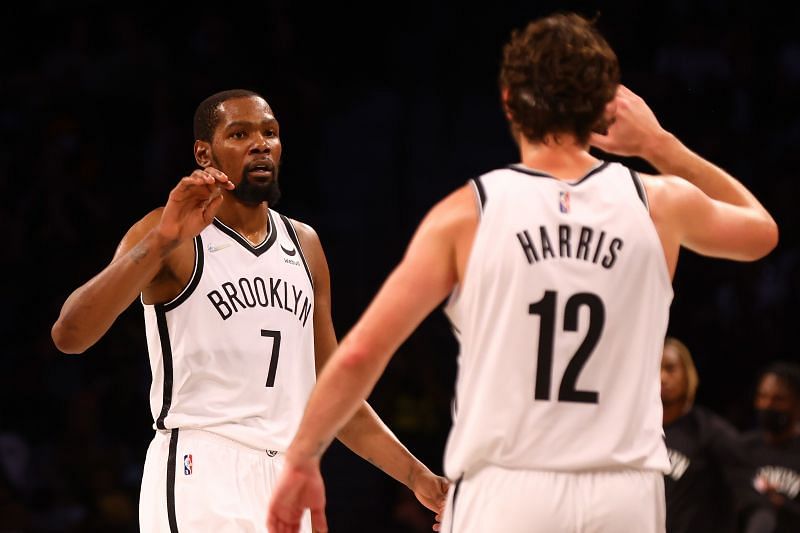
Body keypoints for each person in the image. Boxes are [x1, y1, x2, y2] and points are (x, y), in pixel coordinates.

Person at [267, 12, 778, 533]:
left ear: (508, 100)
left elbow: (359, 353)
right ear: (605, 107)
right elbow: (762, 231)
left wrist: (303, 456)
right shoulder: (658, 203)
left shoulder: (466, 213)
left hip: (508, 490)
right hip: (625, 493)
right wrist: (659, 145)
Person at [50, 89, 448, 532]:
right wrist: (159, 241)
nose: (261, 143)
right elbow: (70, 335)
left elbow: (334, 394)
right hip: (202, 469)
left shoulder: (305, 245)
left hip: (286, 475)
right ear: (205, 153)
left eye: (270, 133)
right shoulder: (169, 232)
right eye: (239, 133)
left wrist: (416, 476)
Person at [661, 337, 774, 533]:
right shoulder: (636, 432)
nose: (662, 377)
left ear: (688, 374)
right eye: (654, 370)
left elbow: (755, 503)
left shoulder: (711, 433)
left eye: (670, 368)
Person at [743, 361, 800, 533]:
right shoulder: (742, 448)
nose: (767, 405)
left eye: (778, 399)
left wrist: (781, 504)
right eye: (762, 396)